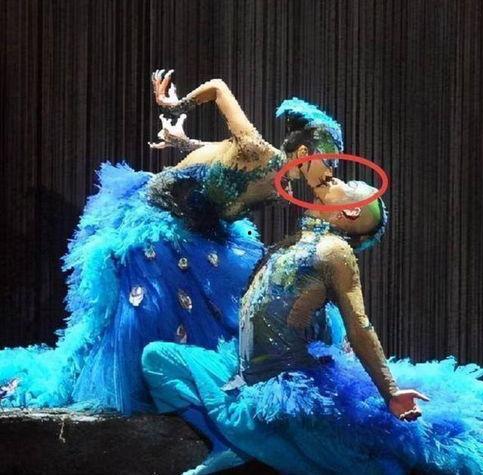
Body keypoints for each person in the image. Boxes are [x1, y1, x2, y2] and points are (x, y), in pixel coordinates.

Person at [141, 103, 483, 474]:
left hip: (285, 387)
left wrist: (391, 392)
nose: (336, 179)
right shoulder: (298, 240)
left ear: (352, 211)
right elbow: (261, 160)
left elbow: (360, 326)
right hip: (244, 375)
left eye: (348, 186)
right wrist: (188, 144)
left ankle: (249, 445)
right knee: (157, 358)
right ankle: (231, 441)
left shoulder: (334, 250)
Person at [0, 71, 341, 415]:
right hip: (158, 216)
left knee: (236, 298)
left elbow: (220, 155)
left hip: (202, 233)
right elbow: (218, 88)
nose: (330, 173)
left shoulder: (279, 188)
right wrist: (175, 105)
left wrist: (183, 142)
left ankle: (177, 382)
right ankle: (131, 381)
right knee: (147, 305)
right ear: (303, 152)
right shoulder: (256, 148)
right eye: (327, 163)